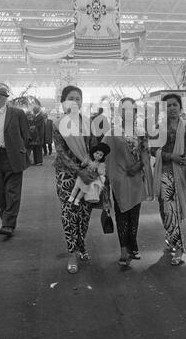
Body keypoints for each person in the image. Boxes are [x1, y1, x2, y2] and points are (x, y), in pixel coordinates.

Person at [53, 85, 98, 274]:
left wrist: (93, 168)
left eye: (78, 98)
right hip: (66, 175)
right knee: (69, 212)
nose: (75, 101)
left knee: (84, 213)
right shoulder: (58, 123)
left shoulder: (88, 123)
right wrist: (77, 171)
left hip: (88, 173)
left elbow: (95, 149)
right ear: (63, 102)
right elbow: (61, 152)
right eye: (71, 98)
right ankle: (72, 252)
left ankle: (81, 245)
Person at [103, 97, 153, 266]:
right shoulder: (112, 133)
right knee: (121, 214)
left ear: (136, 112)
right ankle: (124, 249)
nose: (128, 112)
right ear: (120, 112)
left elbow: (146, 153)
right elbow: (102, 152)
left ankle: (134, 245)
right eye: (124, 109)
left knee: (134, 215)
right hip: (119, 179)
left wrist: (139, 165)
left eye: (131, 109)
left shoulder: (141, 132)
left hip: (136, 177)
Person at [153, 93, 186, 265]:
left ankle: (179, 248)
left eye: (175, 105)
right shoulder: (159, 127)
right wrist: (171, 156)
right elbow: (153, 150)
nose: (172, 108)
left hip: (182, 173)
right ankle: (171, 238)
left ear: (180, 107)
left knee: (177, 209)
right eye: (168, 105)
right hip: (164, 172)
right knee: (166, 210)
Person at [0, 84, 30, 237]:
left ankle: (8, 224)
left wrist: (21, 151)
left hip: (12, 157)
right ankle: (5, 219)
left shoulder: (17, 114)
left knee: (12, 192)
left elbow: (26, 135)